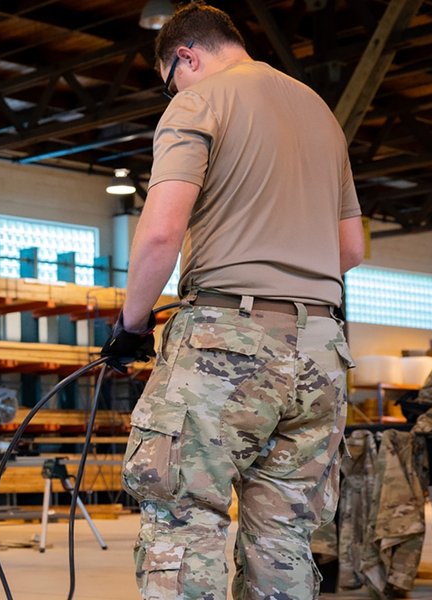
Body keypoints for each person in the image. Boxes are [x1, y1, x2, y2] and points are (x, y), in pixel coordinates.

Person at [100, 3, 365, 598]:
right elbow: (350, 248)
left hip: (226, 339)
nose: (173, 91)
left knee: (183, 519)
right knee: (284, 535)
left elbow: (161, 233)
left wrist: (131, 325)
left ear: (185, 57)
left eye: (170, 80)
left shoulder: (199, 101)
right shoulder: (320, 114)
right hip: (322, 351)